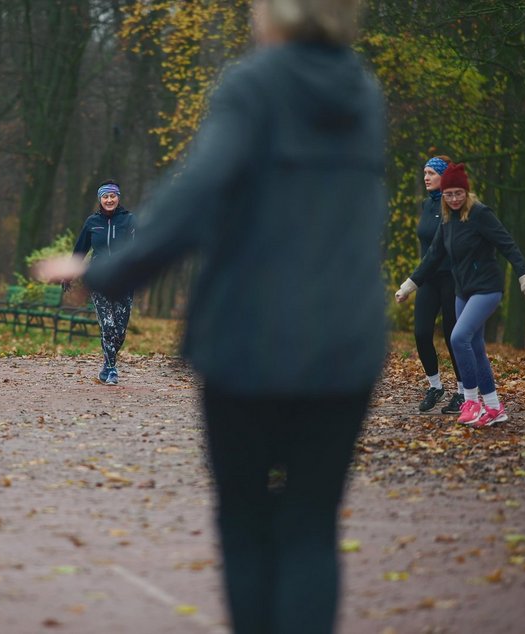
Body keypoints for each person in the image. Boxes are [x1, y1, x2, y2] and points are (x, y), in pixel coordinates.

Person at [35, 0, 385, 630]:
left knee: (247, 520)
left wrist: (103, 270)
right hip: (347, 343)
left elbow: (200, 192)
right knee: (310, 526)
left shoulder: (256, 83)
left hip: (252, 340)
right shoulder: (363, 93)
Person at [396, 163, 525, 427]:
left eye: (457, 193)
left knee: (459, 337)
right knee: (476, 347)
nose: (452, 199)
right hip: (463, 291)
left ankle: (471, 401)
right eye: (448, 194)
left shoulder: (479, 214)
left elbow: (506, 243)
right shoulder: (447, 219)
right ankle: (495, 408)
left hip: (486, 289)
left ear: (466, 192)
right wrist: (409, 285)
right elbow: (433, 256)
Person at [70, 180, 136, 385]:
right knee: (107, 326)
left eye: (112, 196)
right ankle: (112, 369)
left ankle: (107, 364)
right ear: (100, 199)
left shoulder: (129, 220)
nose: (109, 200)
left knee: (120, 331)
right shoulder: (92, 222)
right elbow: (80, 249)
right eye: (105, 196)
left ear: (118, 197)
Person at [412, 155, 463, 414]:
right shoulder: (425, 204)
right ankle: (435, 386)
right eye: (425, 173)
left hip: (451, 279)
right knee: (421, 333)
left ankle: (464, 392)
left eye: (431, 172)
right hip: (428, 280)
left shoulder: (453, 206)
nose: (426, 177)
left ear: (444, 176)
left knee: (454, 337)